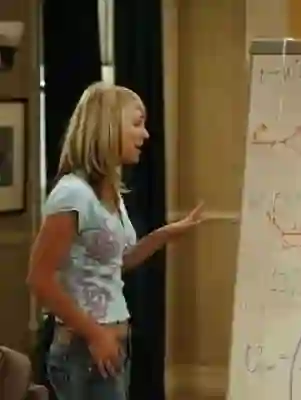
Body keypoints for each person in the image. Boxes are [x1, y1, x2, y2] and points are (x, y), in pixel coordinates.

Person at [26, 82, 208, 400]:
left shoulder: (110, 192)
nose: (145, 135)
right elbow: (39, 279)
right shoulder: (72, 194)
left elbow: (117, 262)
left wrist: (166, 234)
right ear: (108, 127)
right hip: (82, 350)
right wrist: (95, 334)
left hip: (111, 343)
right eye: (137, 123)